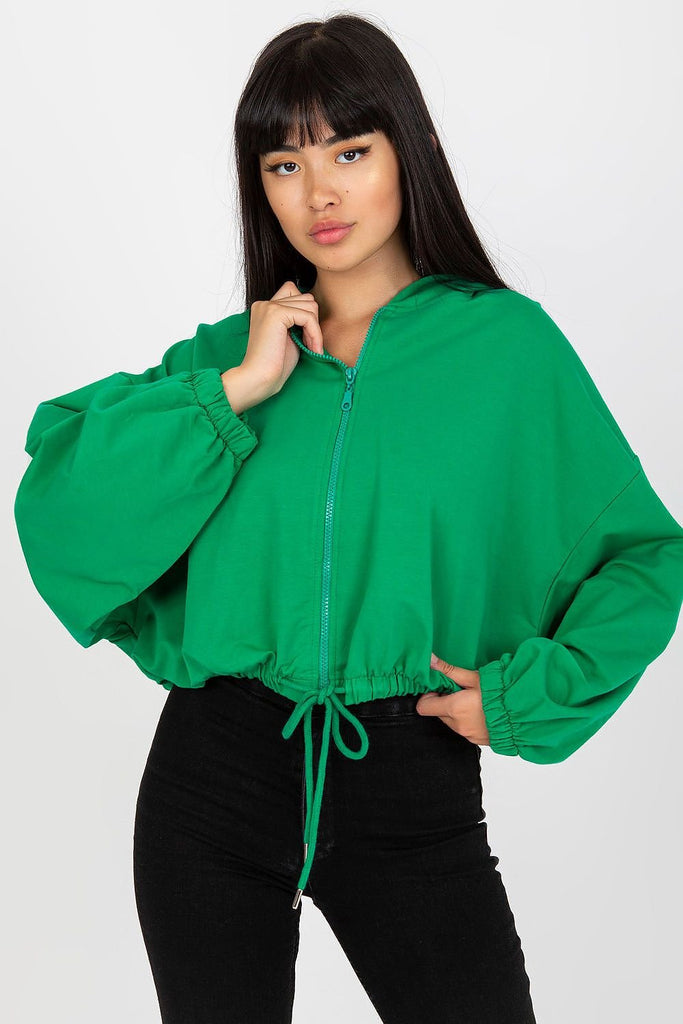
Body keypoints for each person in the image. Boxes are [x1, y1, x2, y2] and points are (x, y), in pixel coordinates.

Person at [13, 13, 683, 1024]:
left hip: (410, 782)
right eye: (283, 164)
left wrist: (526, 696)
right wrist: (236, 390)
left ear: (407, 149)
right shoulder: (230, 357)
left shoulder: (506, 350)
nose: (317, 193)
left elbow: (642, 556)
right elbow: (62, 503)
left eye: (349, 151)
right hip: (212, 780)